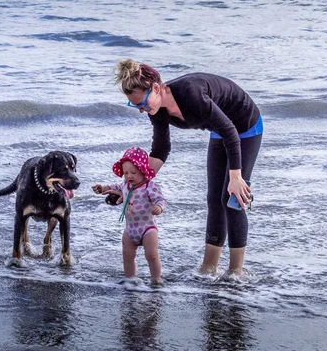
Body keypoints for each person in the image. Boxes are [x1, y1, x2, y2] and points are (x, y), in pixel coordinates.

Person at [114, 59, 263, 277]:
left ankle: (236, 272)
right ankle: (209, 267)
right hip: (221, 130)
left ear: (156, 88)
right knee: (214, 198)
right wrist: (133, 184)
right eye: (136, 106)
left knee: (232, 198)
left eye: (142, 104)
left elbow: (231, 131)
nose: (141, 110)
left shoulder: (191, 94)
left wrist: (236, 177)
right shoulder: (156, 110)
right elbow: (160, 150)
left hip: (245, 125)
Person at [92, 147, 167, 286]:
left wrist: (159, 207)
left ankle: (156, 280)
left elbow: (161, 200)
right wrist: (102, 187)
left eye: (133, 172)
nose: (129, 176)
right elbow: (113, 186)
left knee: (151, 255)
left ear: (143, 169)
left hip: (147, 228)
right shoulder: (125, 184)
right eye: (125, 173)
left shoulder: (149, 186)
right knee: (127, 255)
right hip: (130, 229)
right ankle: (130, 280)